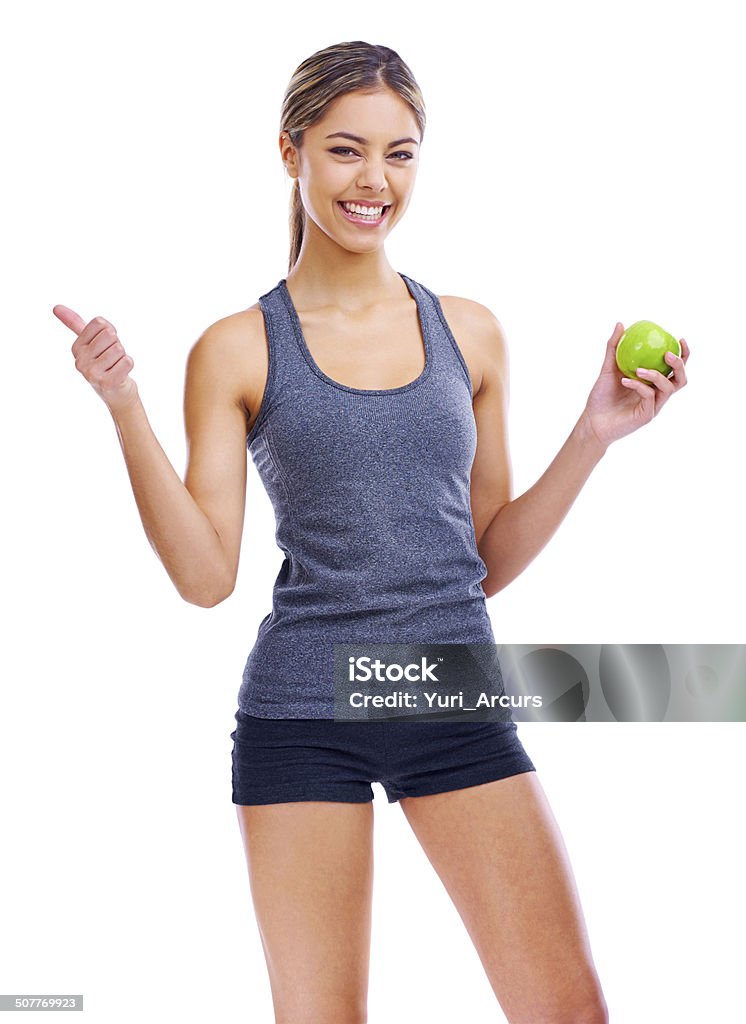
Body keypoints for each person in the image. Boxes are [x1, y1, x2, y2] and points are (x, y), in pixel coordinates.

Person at [54, 39, 688, 1024]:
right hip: (302, 713)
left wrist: (594, 432)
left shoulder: (467, 332)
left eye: (400, 153)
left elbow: (482, 559)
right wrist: (123, 405)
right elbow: (204, 574)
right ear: (289, 151)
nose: (373, 180)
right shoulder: (235, 348)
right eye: (346, 150)